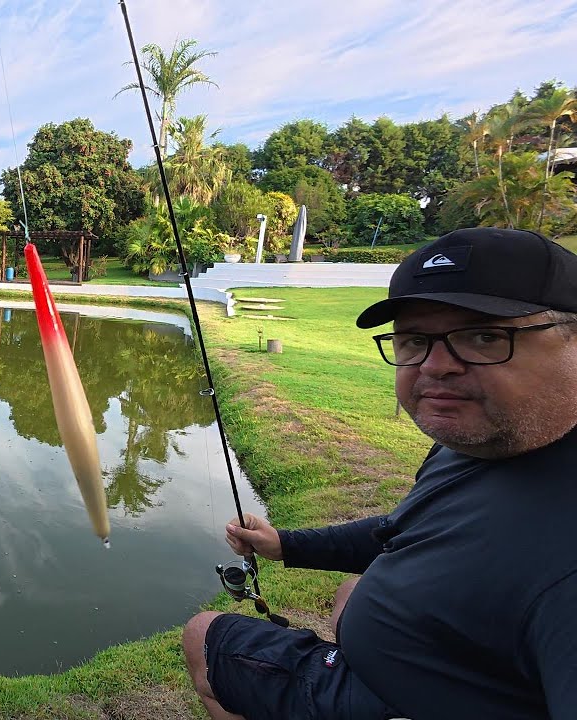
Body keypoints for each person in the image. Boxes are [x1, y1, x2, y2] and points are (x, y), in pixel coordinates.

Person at [182, 227, 577, 720]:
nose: (436, 367)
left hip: (395, 701)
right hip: (430, 659)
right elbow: (405, 531)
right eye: (415, 340)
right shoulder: (480, 444)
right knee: (353, 591)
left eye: (484, 336)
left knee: (204, 634)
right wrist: (285, 545)